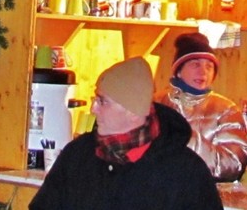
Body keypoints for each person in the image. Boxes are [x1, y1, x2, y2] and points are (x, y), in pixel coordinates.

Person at [31, 55, 223, 210]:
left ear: (133, 111)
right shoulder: (78, 155)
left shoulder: (185, 172)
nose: (93, 109)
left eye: (102, 101)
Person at [156, 30, 247, 181]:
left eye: (209, 66)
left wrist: (186, 137)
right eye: (195, 64)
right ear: (178, 71)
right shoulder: (156, 104)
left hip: (202, 196)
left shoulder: (226, 110)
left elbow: (233, 165)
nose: (203, 72)